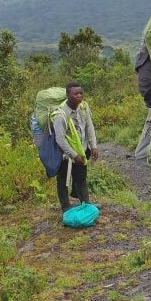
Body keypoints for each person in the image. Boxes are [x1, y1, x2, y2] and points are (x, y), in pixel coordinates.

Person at [52, 82, 99, 210]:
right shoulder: (60, 114)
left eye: (81, 93)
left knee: (81, 178)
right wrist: (73, 154)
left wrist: (93, 146)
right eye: (75, 93)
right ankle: (65, 207)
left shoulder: (83, 106)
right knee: (63, 180)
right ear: (68, 95)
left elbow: (89, 126)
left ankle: (86, 204)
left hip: (82, 150)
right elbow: (60, 139)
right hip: (65, 154)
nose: (79, 96)